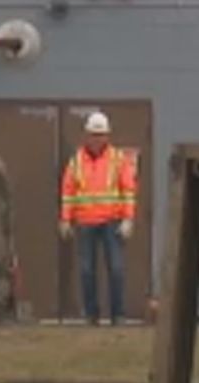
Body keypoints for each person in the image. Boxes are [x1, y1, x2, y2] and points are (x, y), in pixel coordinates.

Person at [58, 111, 140, 325]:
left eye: (101, 134)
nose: (97, 139)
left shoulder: (118, 159)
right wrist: (65, 219)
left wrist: (128, 219)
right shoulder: (76, 162)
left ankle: (118, 314)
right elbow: (68, 192)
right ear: (87, 135)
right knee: (86, 271)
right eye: (94, 135)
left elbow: (128, 190)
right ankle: (91, 314)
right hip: (85, 222)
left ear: (107, 136)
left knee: (116, 269)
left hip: (112, 221)